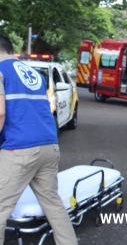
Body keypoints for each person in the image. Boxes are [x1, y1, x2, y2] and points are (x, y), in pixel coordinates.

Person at [0, 34, 78, 245]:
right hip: (49, 146)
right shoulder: (33, 73)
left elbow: (0, 112)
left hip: (19, 149)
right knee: (53, 204)